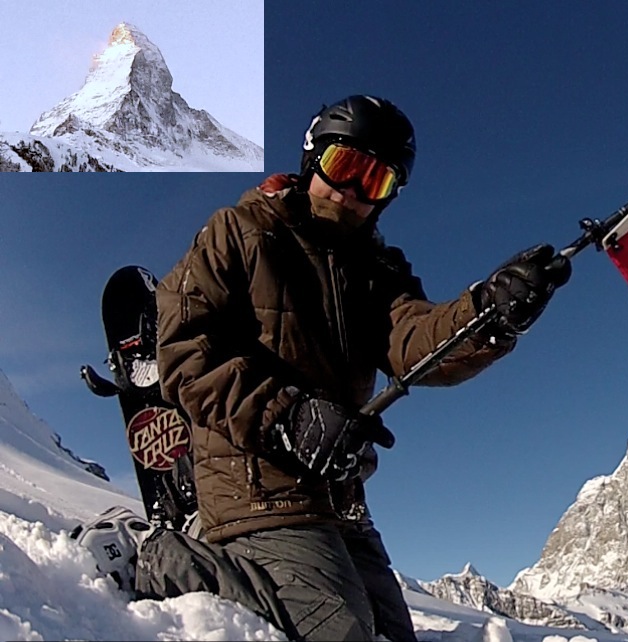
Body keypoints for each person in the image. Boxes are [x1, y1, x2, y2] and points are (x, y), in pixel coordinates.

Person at [145, 94, 572, 641]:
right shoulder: (240, 231)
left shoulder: (374, 271)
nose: (351, 192)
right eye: (344, 167)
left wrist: (488, 313)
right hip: (254, 487)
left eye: (375, 182)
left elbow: (414, 339)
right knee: (340, 631)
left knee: (391, 635)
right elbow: (183, 351)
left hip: (339, 497)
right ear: (312, 161)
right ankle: (166, 559)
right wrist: (289, 415)